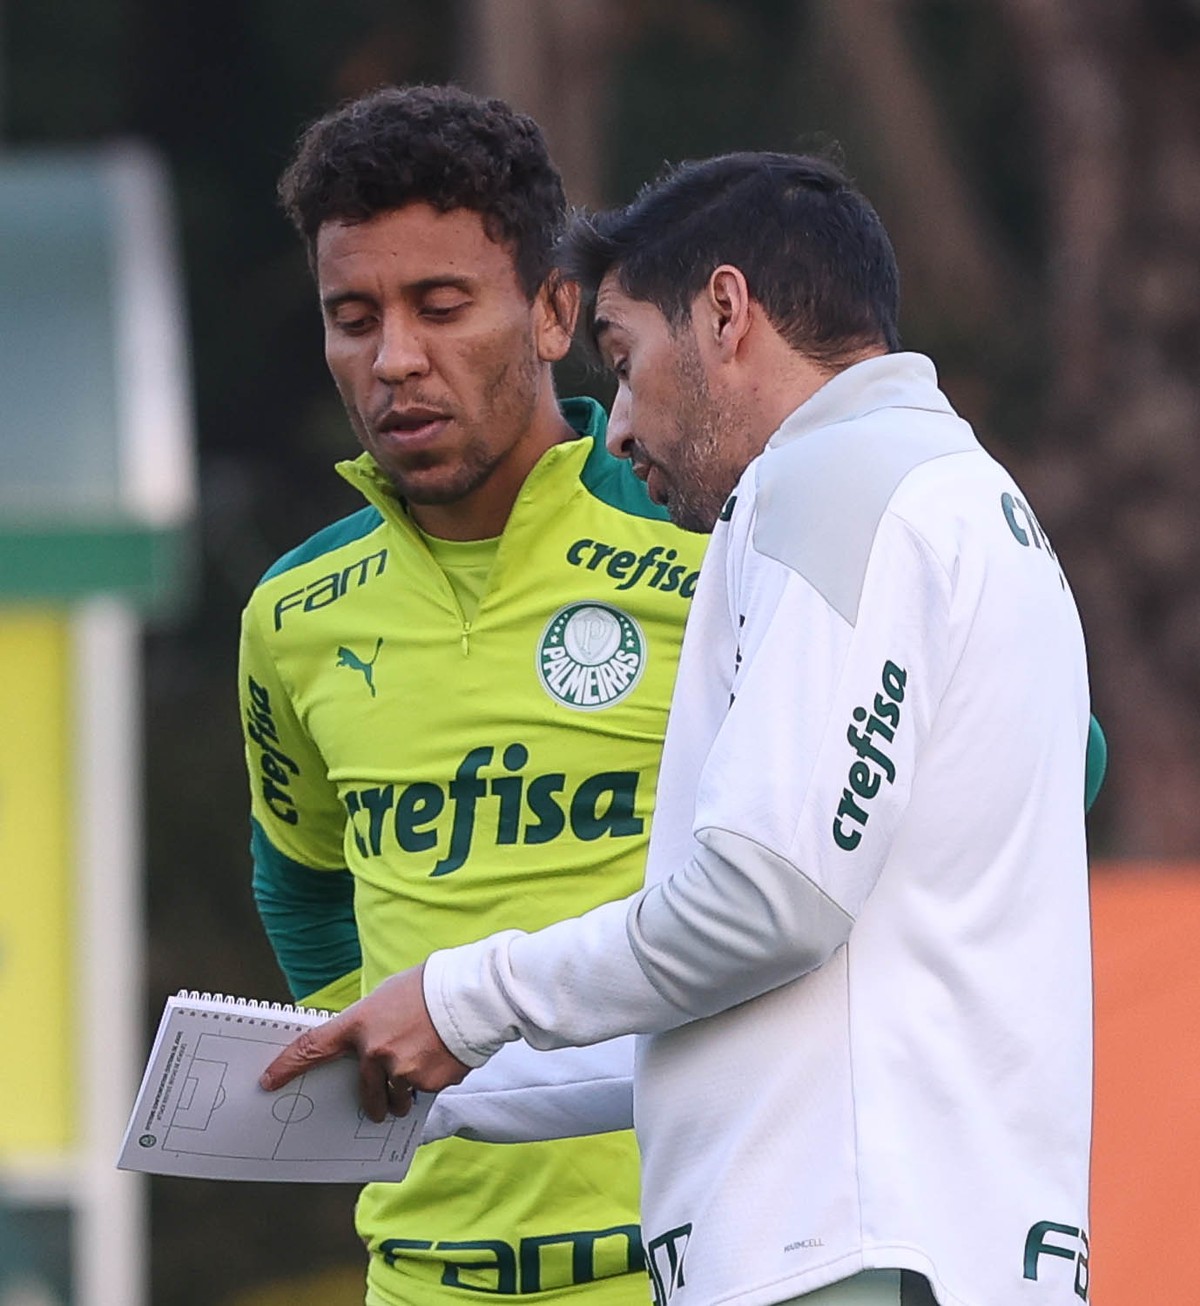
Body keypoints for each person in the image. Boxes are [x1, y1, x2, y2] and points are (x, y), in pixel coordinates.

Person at [263, 151, 1099, 1306]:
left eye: (626, 358)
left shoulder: (827, 488)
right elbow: (760, 996)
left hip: (837, 1255)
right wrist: (433, 1073)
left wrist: (465, 994)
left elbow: (764, 904)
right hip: (930, 1240)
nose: (621, 426)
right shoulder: (967, 498)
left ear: (724, 313)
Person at [239, 84, 706, 1306]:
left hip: (687, 1261)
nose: (394, 359)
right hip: (419, 1276)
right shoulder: (292, 615)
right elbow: (300, 875)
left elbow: (1008, 758)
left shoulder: (719, 541)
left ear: (555, 312)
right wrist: (369, 1061)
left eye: (441, 306)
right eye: (354, 317)